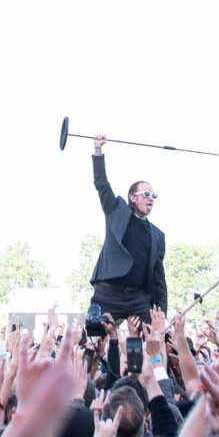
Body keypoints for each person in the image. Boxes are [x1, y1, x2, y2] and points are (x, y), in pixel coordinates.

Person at [88, 133, 168, 323]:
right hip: (109, 292)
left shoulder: (158, 236)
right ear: (133, 197)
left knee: (152, 337)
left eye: (153, 196)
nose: (150, 198)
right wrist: (98, 150)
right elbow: (102, 185)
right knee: (94, 336)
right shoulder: (116, 211)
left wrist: (161, 312)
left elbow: (159, 280)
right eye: (146, 193)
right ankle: (91, 348)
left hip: (138, 298)